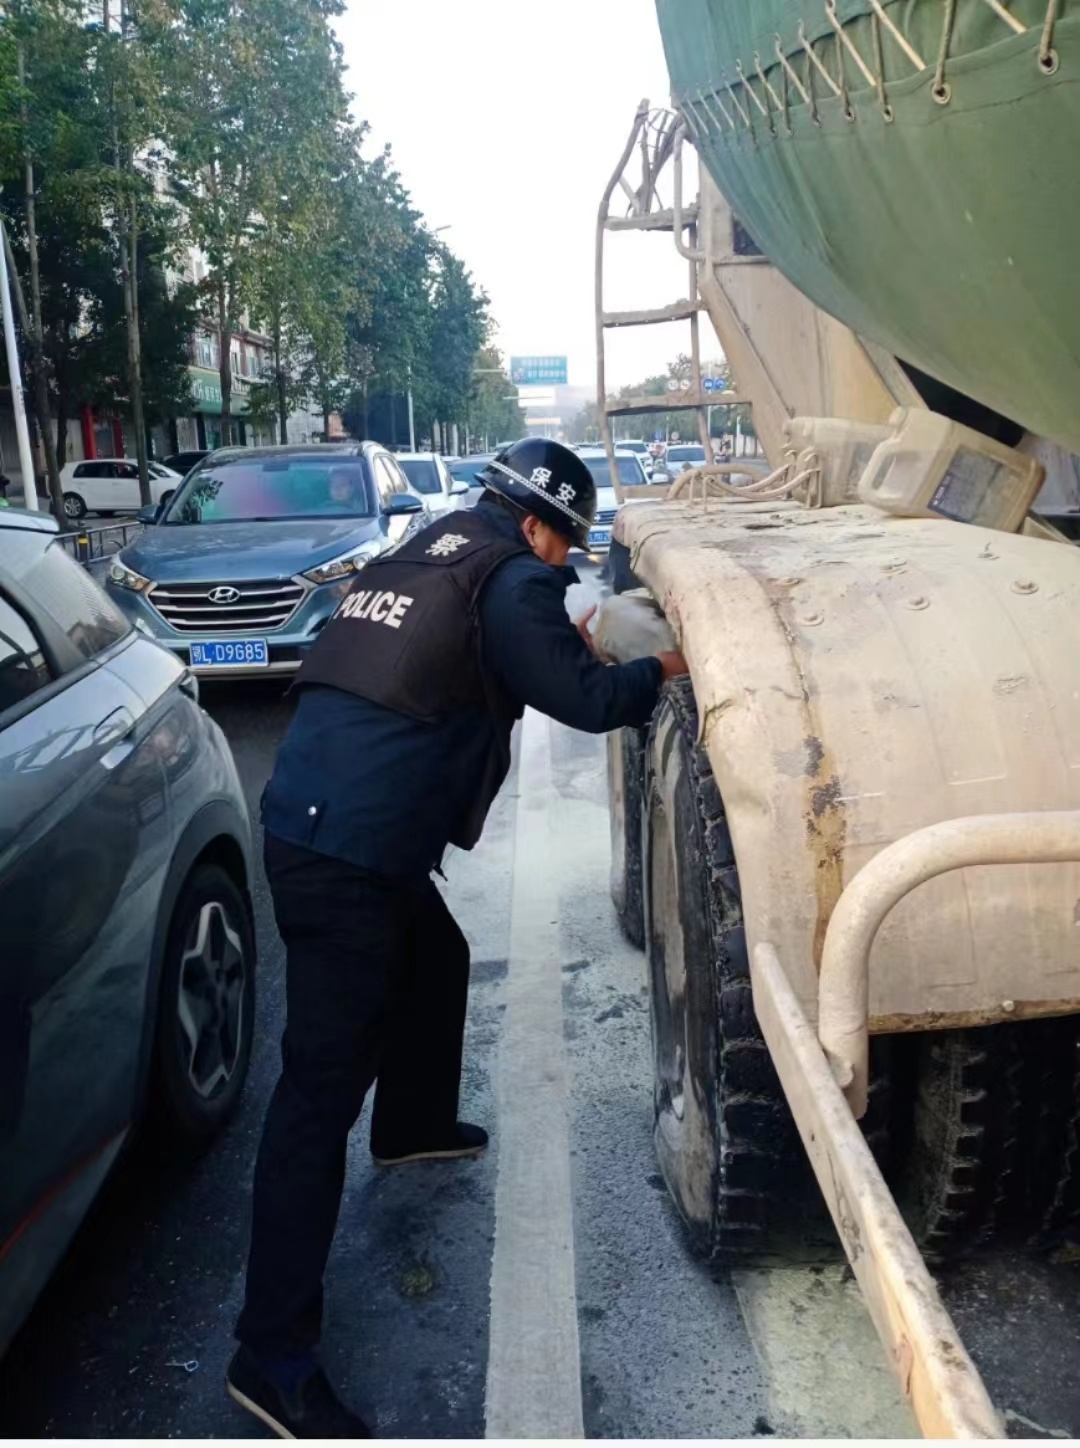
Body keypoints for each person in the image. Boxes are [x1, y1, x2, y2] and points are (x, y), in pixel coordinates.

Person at [227, 438, 688, 1437]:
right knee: (314, 1096)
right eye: (564, 542)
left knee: (433, 954)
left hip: (323, 822)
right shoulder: (514, 581)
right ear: (534, 523)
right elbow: (590, 697)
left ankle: (414, 1123)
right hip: (343, 857)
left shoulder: (428, 543)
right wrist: (666, 661)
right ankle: (271, 1355)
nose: (565, 562)